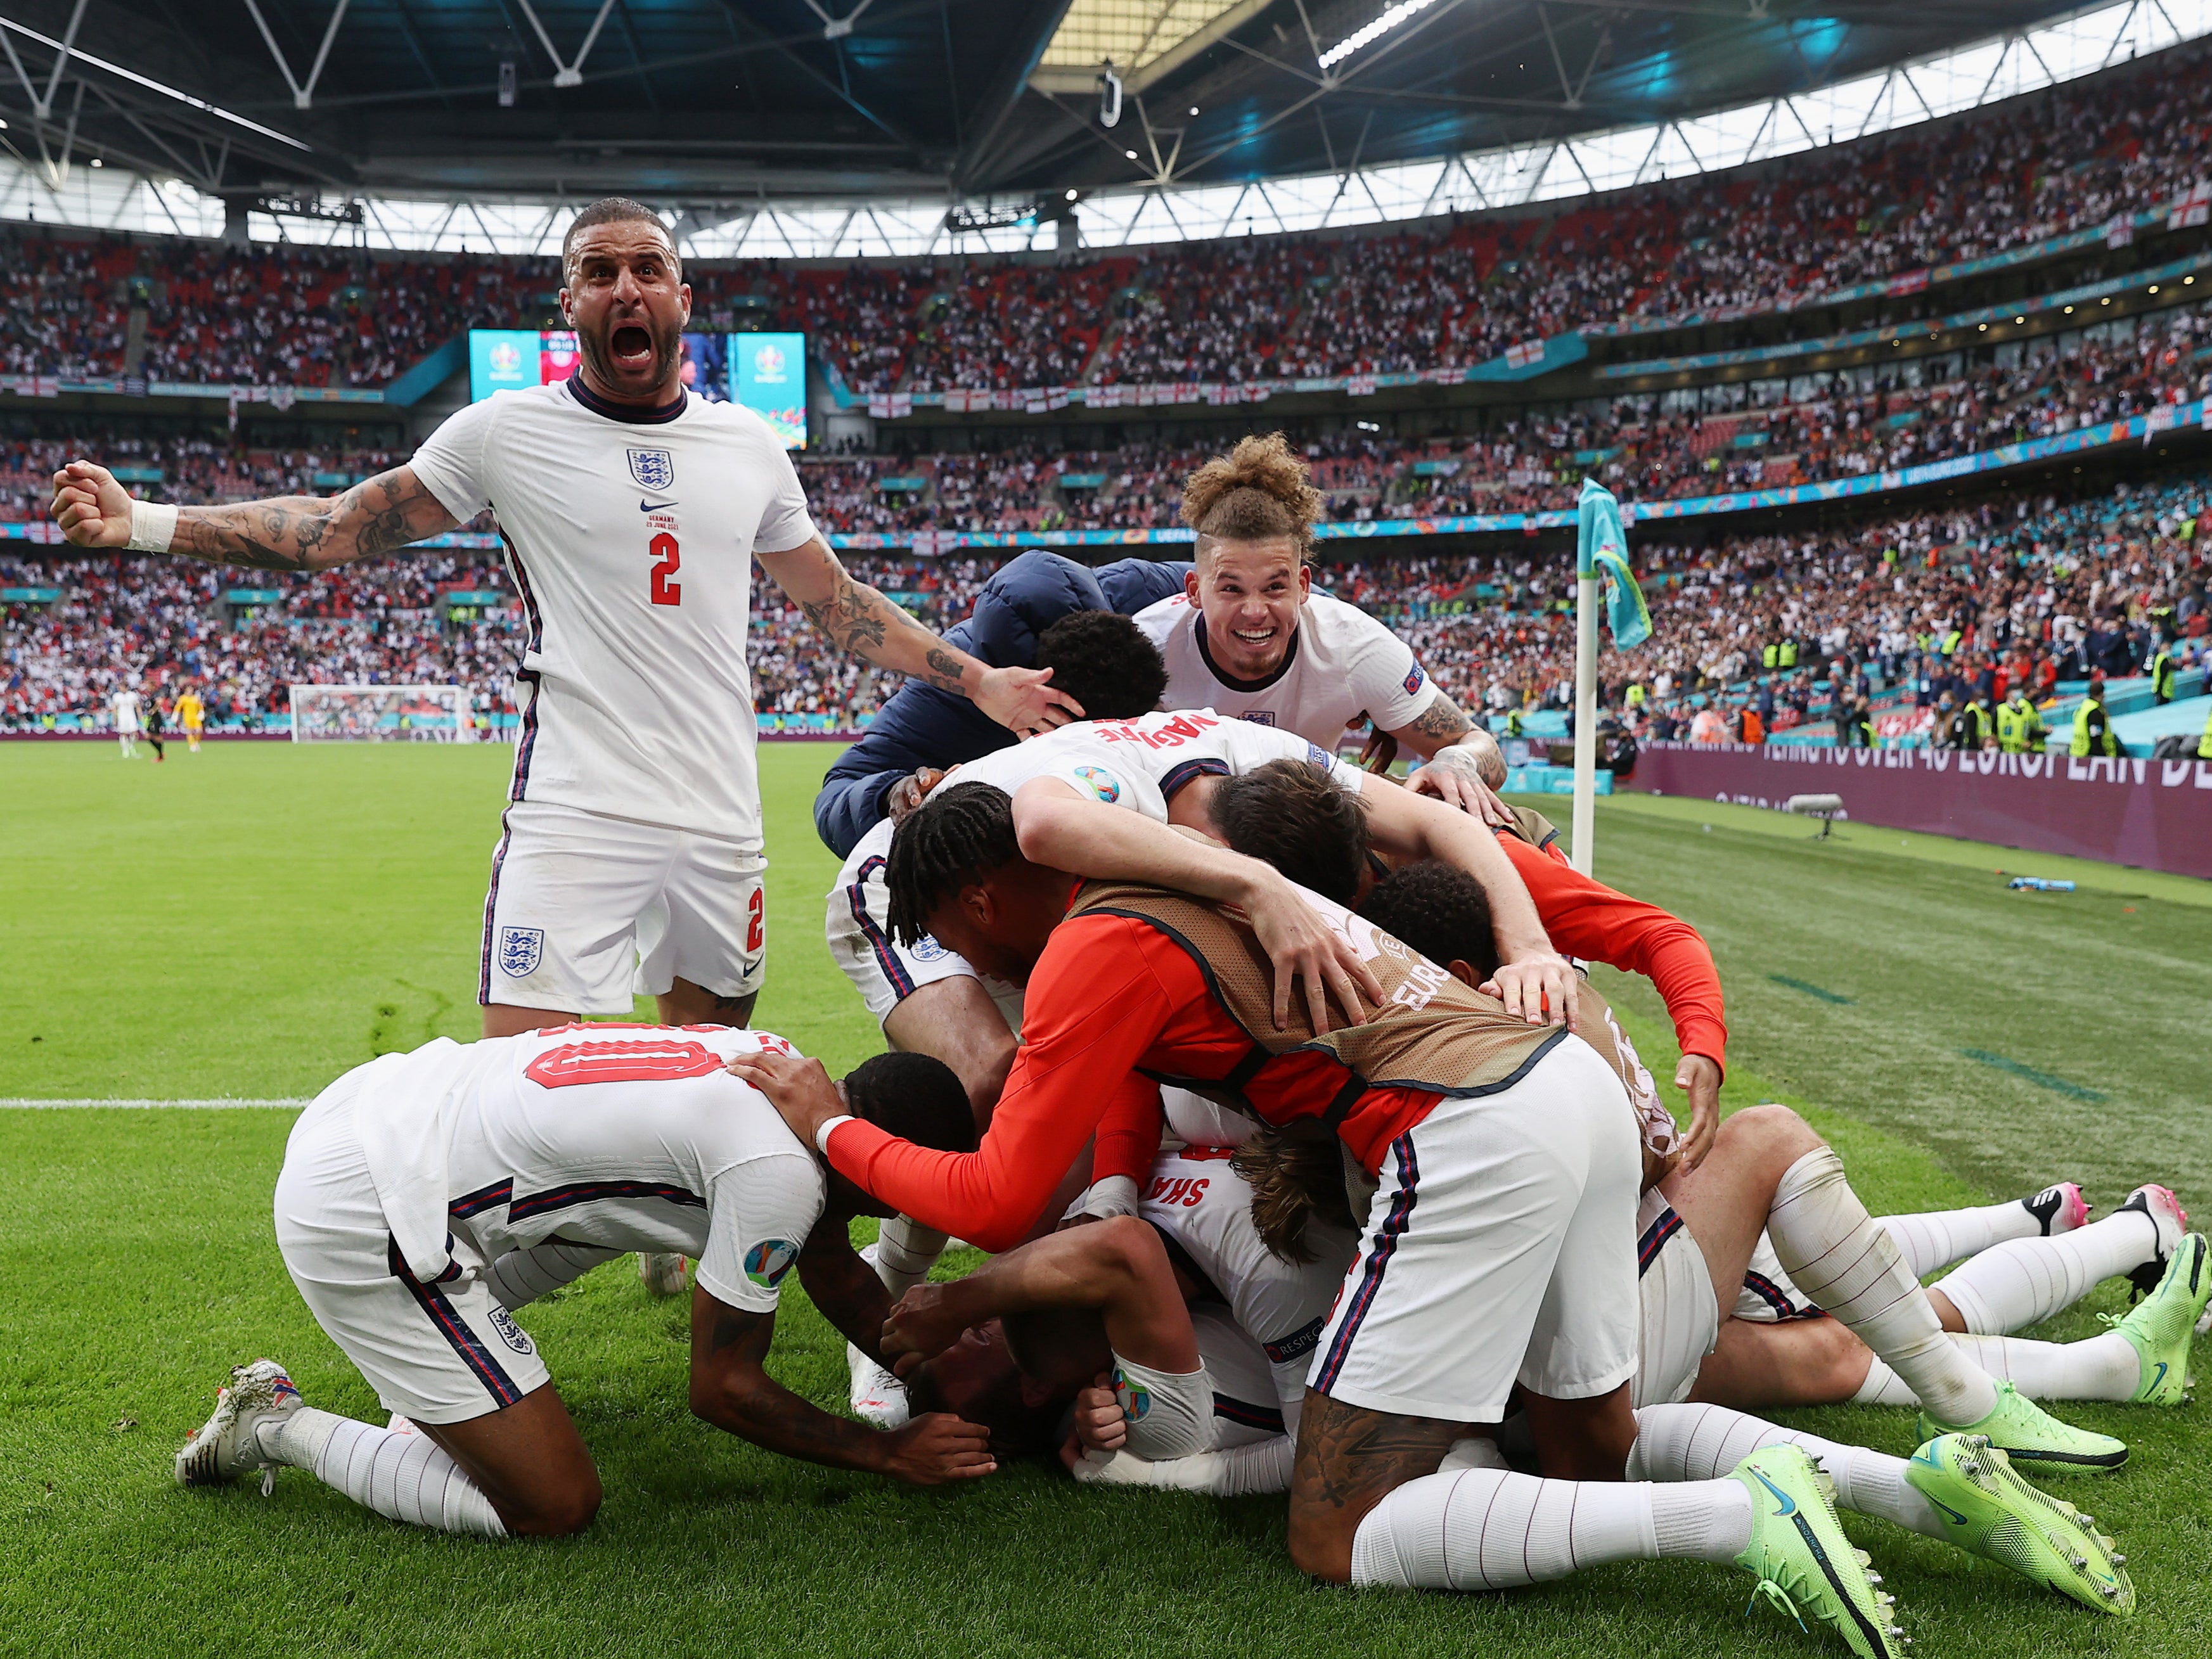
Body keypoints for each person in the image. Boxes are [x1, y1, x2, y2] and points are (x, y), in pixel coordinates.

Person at [52, 196, 1076, 1045]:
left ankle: (666, 1221)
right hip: (575, 810)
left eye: (647, 268)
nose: (625, 287)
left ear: (682, 297)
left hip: (719, 813)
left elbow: (837, 605)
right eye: (599, 271)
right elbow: (336, 528)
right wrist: (146, 523)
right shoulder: (504, 433)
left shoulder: (750, 444)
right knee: (519, 1083)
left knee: (710, 1066)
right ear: (569, 303)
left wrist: (980, 680)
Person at [740, 783, 1666, 1594]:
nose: (978, 971)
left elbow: (996, 1203)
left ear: (978, 901)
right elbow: (1128, 1069)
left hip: (1468, 1123)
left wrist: (830, 1126)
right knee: (1588, 1453)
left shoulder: (1087, 948)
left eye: (956, 944)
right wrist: (1110, 1188)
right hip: (1562, 1083)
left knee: (1334, 1535)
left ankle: (1722, 1518)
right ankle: (1761, 1479)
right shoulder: (1168, 866)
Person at [171, 1025, 993, 1538]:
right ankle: (274, 1421)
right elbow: (724, 1388)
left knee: (615, 1210)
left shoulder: (779, 1067)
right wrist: (886, 1451)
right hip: (364, 1208)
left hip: (383, 1106)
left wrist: (935, 1370)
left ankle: (452, 1387)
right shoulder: (779, 1173)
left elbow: (830, 1261)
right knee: (553, 1504)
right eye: (898, 1184)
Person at [1128, 434, 1501, 816]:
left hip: (1312, 826)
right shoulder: (1142, 651)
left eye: (1275, 587)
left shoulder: (1356, 647)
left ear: (1303, 586)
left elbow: (1477, 743)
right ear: (1194, 591)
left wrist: (1456, 762)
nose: (1255, 611)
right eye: (1231, 589)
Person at [813, 551, 1186, 859]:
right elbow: (837, 795)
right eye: (1054, 722)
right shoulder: (947, 689)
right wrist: (891, 794)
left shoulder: (1145, 592)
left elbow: (1218, 565)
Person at [2071, 674, 2122, 759]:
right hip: (2091, 756)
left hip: (2078, 753)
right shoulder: (2095, 712)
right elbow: (2095, 738)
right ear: (2102, 694)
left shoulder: (2083, 708)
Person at [1997, 684, 2046, 755]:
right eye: (2015, 690)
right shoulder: (2000, 709)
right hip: (2005, 750)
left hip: (2022, 751)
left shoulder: (2024, 710)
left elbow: (2027, 728)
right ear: (2008, 693)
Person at [108, 684, 141, 758]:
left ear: (126, 687)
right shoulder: (116, 696)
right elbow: (115, 708)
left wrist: (140, 716)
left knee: (135, 733)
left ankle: (131, 746)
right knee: (123, 734)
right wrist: (115, 718)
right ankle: (125, 750)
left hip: (131, 716)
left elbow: (138, 706)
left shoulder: (133, 695)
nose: (120, 689)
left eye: (121, 687)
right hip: (122, 717)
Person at [174, 683, 205, 752]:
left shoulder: (196, 698)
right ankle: (192, 745)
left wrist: (201, 712)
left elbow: (200, 706)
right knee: (190, 731)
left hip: (196, 717)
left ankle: (197, 742)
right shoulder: (182, 698)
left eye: (191, 689)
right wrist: (176, 714)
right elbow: (178, 707)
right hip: (188, 717)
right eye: (189, 689)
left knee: (199, 730)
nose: (190, 691)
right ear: (186, 690)